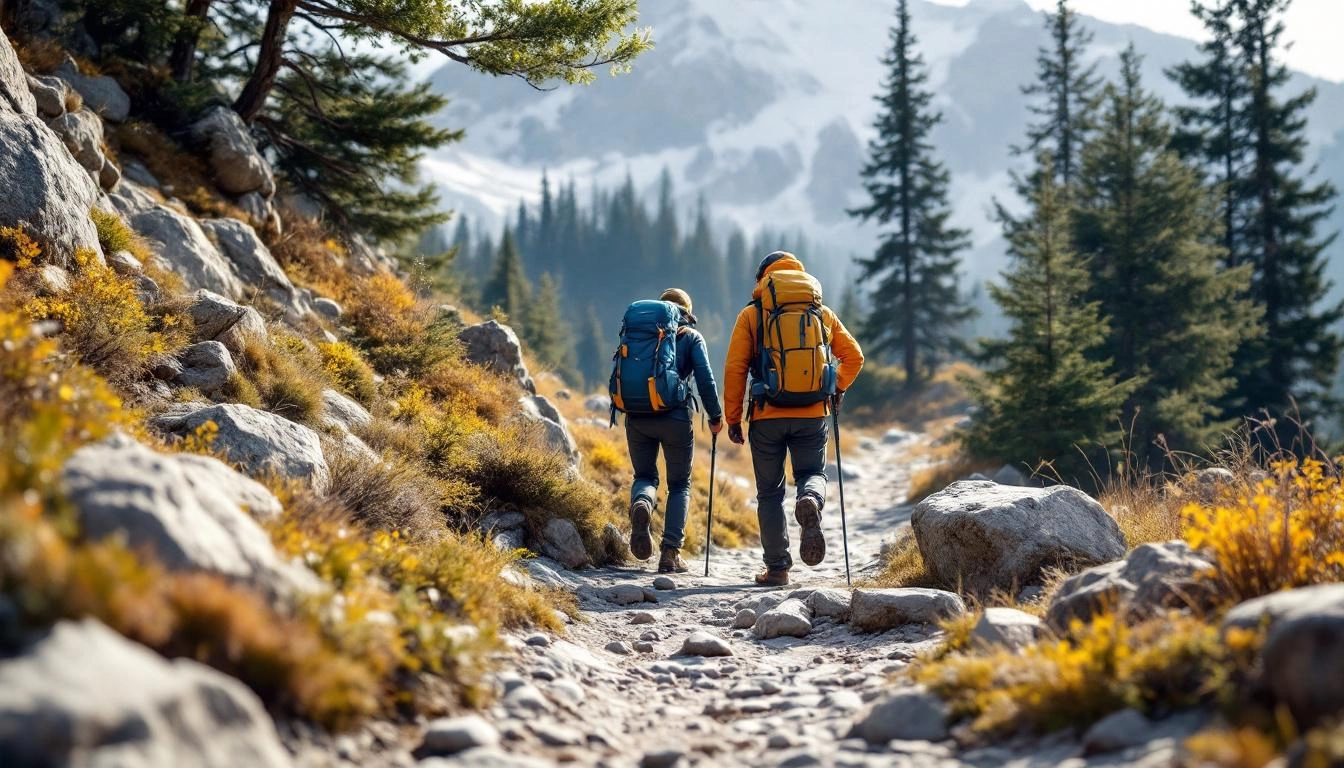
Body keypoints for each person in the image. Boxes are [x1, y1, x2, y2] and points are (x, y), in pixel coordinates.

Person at [723, 252, 864, 586]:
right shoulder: (821, 313)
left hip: (766, 414)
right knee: (812, 473)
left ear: (763, 279)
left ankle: (777, 568)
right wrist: (835, 387)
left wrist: (732, 418)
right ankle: (810, 500)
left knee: (770, 493)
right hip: (813, 413)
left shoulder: (752, 315)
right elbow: (854, 357)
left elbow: (735, 369)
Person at [625, 288, 724, 574]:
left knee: (644, 476)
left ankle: (642, 503)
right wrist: (715, 417)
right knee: (679, 484)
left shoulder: (641, 333)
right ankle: (670, 554)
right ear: (687, 314)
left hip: (638, 415)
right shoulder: (691, 337)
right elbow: (706, 381)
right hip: (676, 419)